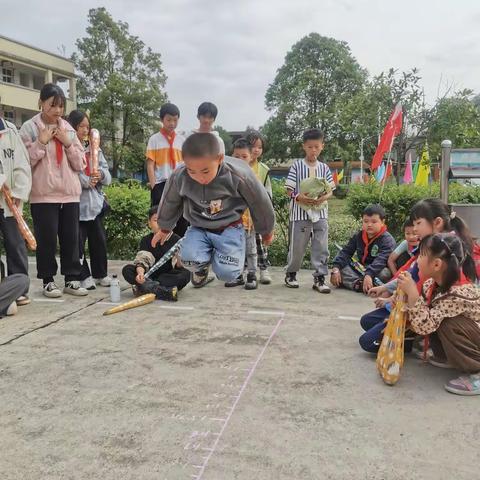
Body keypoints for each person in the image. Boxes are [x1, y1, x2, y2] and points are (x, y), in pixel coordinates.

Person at [152, 133, 275, 287]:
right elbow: (170, 200)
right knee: (187, 260)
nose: (199, 178)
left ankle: (222, 254)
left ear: (220, 159)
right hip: (199, 227)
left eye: (205, 171)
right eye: (192, 171)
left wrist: (266, 230)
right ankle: (201, 267)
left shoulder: (239, 173)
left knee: (228, 273)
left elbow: (259, 202)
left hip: (229, 227)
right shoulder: (180, 175)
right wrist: (164, 227)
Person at [359, 198, 477, 354]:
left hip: (430, 313)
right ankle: (418, 337)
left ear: (437, 222)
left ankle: (420, 342)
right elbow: (410, 273)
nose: (414, 229)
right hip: (421, 306)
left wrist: (405, 305)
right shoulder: (431, 245)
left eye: (418, 223)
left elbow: (422, 290)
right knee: (367, 321)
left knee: (368, 341)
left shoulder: (446, 252)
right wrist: (390, 292)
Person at [19, 83, 87, 298]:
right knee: (47, 240)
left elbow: (81, 164)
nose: (57, 111)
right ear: (41, 103)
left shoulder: (68, 128)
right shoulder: (29, 128)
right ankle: (48, 280)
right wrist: (41, 142)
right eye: (52, 105)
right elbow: (24, 161)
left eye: (61, 106)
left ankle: (72, 279)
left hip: (69, 194)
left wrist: (68, 142)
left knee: (70, 238)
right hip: (43, 195)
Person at [398, 233, 480, 395]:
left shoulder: (457, 293)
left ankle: (476, 371)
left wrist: (413, 294)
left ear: (436, 264)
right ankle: (447, 356)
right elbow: (422, 314)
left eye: (421, 255)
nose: (417, 260)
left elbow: (425, 326)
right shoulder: (433, 283)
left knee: (450, 324)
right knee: (436, 315)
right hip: (473, 335)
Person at [284, 128, 335, 292]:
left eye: (317, 146)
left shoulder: (325, 168)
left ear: (322, 146)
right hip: (300, 213)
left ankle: (320, 278)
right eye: (310, 147)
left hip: (320, 213)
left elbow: (330, 190)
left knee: (321, 245)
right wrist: (299, 197)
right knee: (297, 246)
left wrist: (324, 197)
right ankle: (291, 273)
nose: (313, 150)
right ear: (304, 147)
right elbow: (289, 189)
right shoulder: (297, 166)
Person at [67, 110, 112, 290]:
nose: (85, 130)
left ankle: (100, 274)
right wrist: (86, 181)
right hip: (77, 206)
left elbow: (107, 175)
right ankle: (83, 275)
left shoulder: (95, 149)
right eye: (81, 126)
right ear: (73, 127)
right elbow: (71, 173)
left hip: (95, 206)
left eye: (87, 126)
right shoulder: (69, 148)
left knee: (99, 242)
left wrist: (99, 174)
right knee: (78, 244)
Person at [224, 137, 269, 290]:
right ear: (231, 156)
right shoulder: (227, 174)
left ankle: (252, 274)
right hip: (234, 221)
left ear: (251, 157)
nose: (241, 160)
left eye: (244, 156)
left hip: (250, 221)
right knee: (235, 249)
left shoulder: (253, 176)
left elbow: (261, 199)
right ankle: (237, 275)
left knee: (251, 249)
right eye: (237, 157)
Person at [122, 206, 190, 301]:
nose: (160, 224)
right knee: (127, 270)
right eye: (156, 220)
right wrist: (140, 274)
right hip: (149, 275)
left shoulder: (177, 240)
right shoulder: (146, 240)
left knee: (185, 274)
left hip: (167, 276)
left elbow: (179, 266)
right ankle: (162, 292)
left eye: (164, 220)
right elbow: (142, 260)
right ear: (149, 223)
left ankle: (144, 289)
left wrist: (179, 257)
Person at [0, 116, 32, 305]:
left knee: (15, 243)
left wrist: (19, 191)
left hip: (9, 200)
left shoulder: (10, 130)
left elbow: (22, 164)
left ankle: (18, 289)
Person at [330, 204, 396, 293]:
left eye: (374, 222)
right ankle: (360, 285)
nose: (369, 225)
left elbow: (382, 260)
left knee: (385, 273)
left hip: (377, 270)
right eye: (366, 221)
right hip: (361, 268)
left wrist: (369, 274)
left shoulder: (387, 239)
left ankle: (357, 283)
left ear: (382, 222)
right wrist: (336, 268)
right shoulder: (358, 236)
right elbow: (346, 252)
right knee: (341, 268)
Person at [146, 103, 185, 212]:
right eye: (169, 120)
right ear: (162, 119)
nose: (172, 123)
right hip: (160, 184)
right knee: (160, 217)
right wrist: (154, 187)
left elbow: (185, 164)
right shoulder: (154, 139)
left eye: (175, 120)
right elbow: (150, 164)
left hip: (178, 184)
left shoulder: (182, 140)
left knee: (181, 217)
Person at [246, 130, 273, 285]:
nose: (256, 150)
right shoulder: (239, 165)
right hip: (242, 213)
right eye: (253, 146)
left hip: (257, 212)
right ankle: (244, 272)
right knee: (243, 244)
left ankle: (264, 269)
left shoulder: (264, 168)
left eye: (259, 147)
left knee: (260, 242)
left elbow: (268, 192)